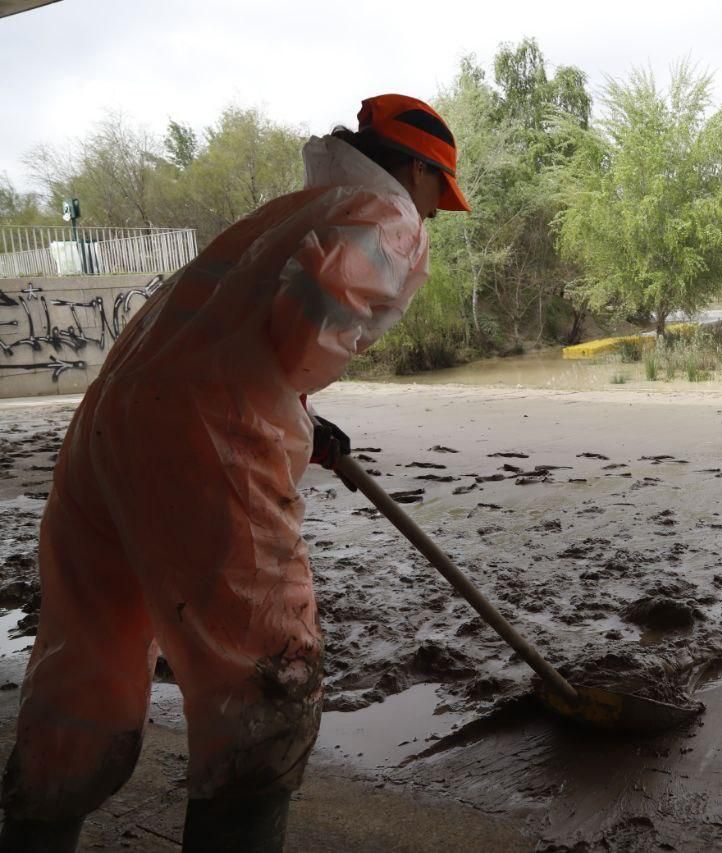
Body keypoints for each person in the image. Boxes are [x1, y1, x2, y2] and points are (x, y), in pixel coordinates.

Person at [0, 94, 469, 853]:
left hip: (107, 425)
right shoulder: (389, 217)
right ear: (414, 169)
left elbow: (221, 334)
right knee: (264, 684)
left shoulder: (286, 210)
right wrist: (293, 393)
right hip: (208, 440)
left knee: (83, 663)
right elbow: (309, 322)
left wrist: (302, 414)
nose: (435, 214)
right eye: (437, 192)